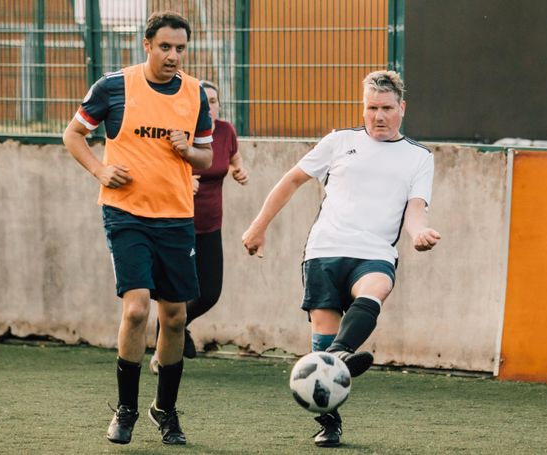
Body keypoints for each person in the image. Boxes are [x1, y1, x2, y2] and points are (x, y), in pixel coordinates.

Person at [242, 70, 440, 447]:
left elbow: (416, 209)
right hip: (324, 250)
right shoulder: (339, 141)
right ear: (362, 108)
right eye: (370, 108)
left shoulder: (418, 157)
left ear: (402, 108)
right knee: (323, 334)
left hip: (375, 251)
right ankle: (329, 420)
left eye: (386, 108)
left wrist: (419, 234)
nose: (378, 116)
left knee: (376, 288)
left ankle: (336, 356)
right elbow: (292, 180)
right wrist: (258, 225)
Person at [62, 11, 213, 446]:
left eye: (180, 48)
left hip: (176, 216)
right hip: (126, 214)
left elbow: (206, 158)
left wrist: (187, 151)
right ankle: (125, 409)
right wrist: (99, 170)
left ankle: (164, 411)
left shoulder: (195, 94)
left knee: (175, 316)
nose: (173, 56)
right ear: (146, 45)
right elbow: (73, 134)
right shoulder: (113, 86)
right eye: (165, 47)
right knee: (136, 310)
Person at [149, 80, 248, 371]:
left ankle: (171, 326)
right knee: (174, 293)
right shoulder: (179, 133)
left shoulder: (227, 130)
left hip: (210, 225)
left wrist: (239, 170)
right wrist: (181, 179)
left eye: (215, 100)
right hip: (176, 222)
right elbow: (155, 168)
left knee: (209, 293)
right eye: (205, 101)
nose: (211, 106)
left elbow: (233, 159)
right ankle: (164, 345)